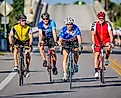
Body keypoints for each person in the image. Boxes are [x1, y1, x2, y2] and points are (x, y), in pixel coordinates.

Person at [91, 11, 114, 78]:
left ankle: (106, 58)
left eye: (102, 18)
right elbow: (93, 34)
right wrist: (93, 43)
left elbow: (111, 35)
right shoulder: (94, 24)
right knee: (96, 55)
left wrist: (111, 42)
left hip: (106, 39)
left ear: (104, 18)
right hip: (97, 40)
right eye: (100, 18)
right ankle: (96, 71)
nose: (101, 20)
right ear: (98, 18)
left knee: (108, 47)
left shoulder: (108, 24)